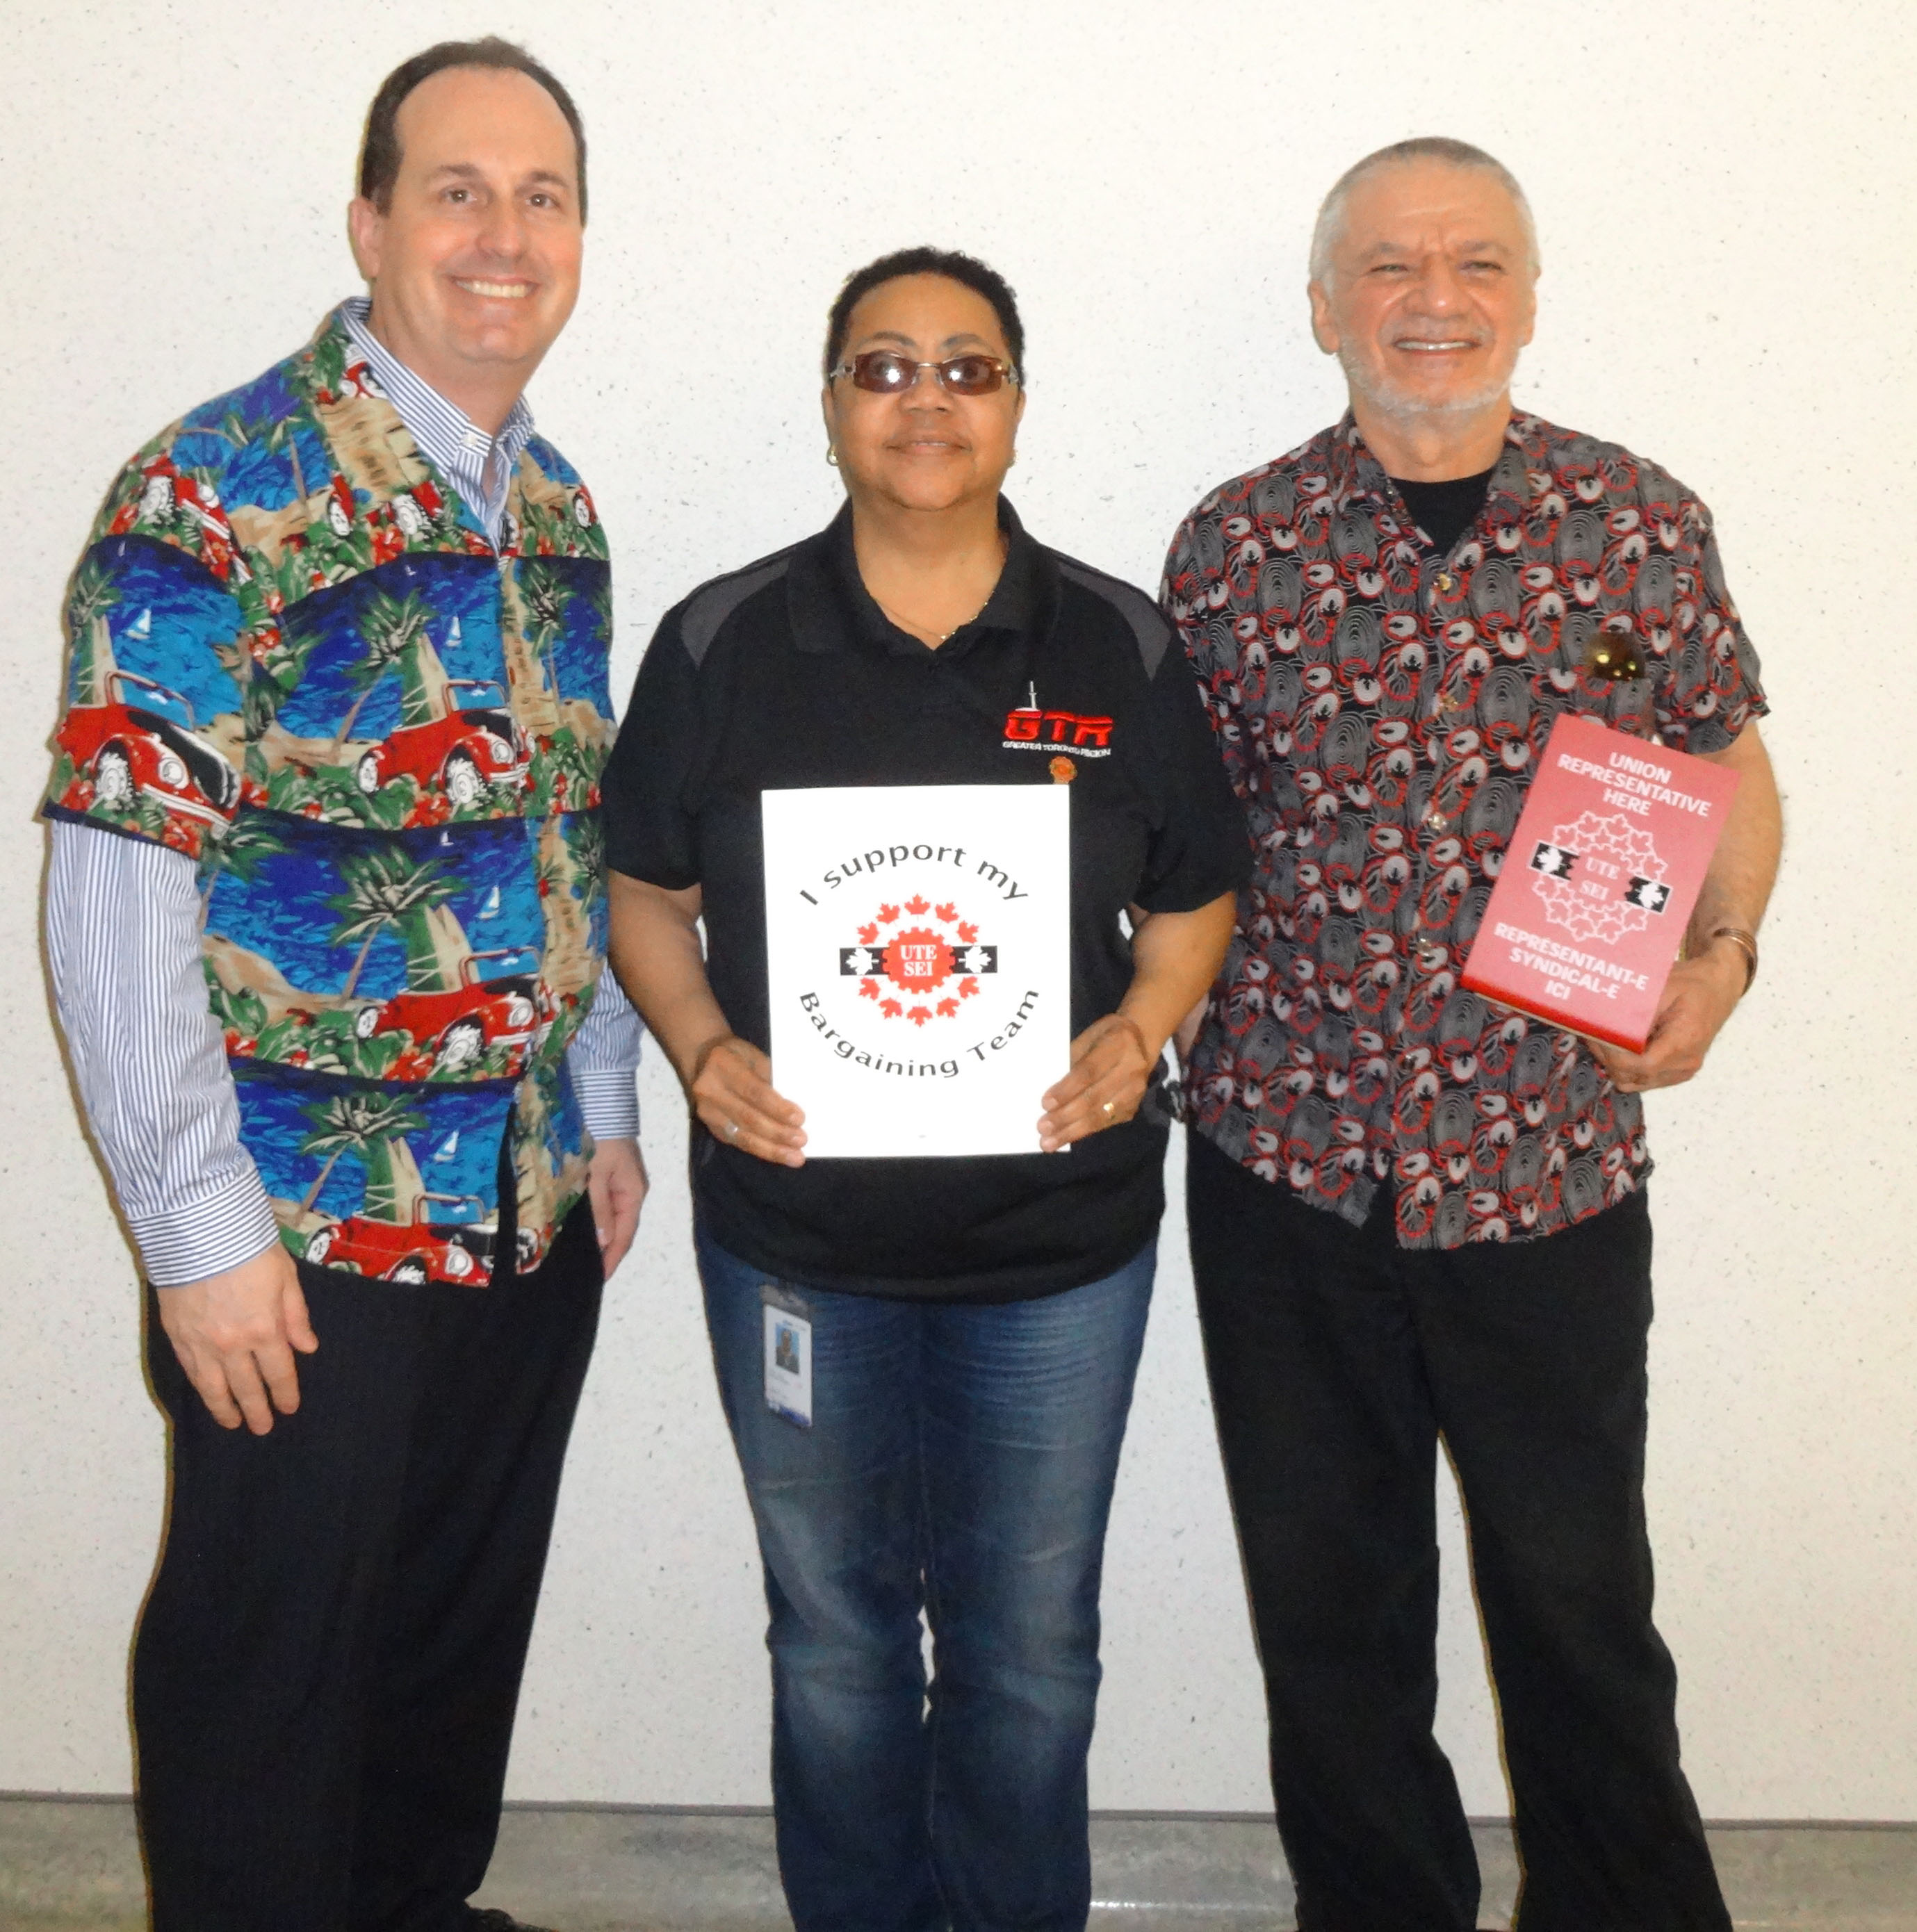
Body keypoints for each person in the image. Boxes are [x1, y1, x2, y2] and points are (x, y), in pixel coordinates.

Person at [41, 38, 645, 1932]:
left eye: (541, 197)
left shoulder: (555, 511)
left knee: (445, 1661)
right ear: (371, 221)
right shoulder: (212, 490)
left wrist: (601, 1107)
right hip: (300, 1241)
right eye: (457, 191)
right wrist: (194, 1225)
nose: (502, 235)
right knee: (270, 1677)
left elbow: (571, 823)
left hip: (524, 1214)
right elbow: (116, 876)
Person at [1163, 138, 1781, 1932]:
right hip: (1285, 1167)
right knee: (1330, 1619)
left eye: (1474, 263)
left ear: (1524, 297)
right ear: (1320, 307)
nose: (1432, 299)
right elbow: (1174, 845)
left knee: (1574, 1604)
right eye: (1387, 265)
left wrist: (1719, 960)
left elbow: (1724, 767)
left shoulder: (1634, 524)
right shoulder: (1231, 547)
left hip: (1541, 1160)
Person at [603, 247, 1244, 1932]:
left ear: (1016, 404)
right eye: (882, 367)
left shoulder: (1118, 642)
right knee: (832, 1637)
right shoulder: (722, 639)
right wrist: (701, 1046)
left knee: (1031, 1650)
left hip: (1057, 1250)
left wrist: (1143, 1026)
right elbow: (643, 891)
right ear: (830, 405)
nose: (926, 401)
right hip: (796, 1248)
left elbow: (1194, 895)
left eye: (968, 367)